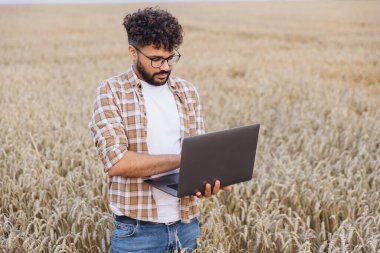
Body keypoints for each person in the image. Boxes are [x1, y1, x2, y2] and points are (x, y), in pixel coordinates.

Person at [88, 7, 231, 253]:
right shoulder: (111, 92)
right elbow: (117, 162)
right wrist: (185, 161)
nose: (165, 66)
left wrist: (208, 178)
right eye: (156, 59)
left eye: (171, 57)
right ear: (133, 52)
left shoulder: (187, 92)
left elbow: (197, 154)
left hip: (187, 227)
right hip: (137, 233)